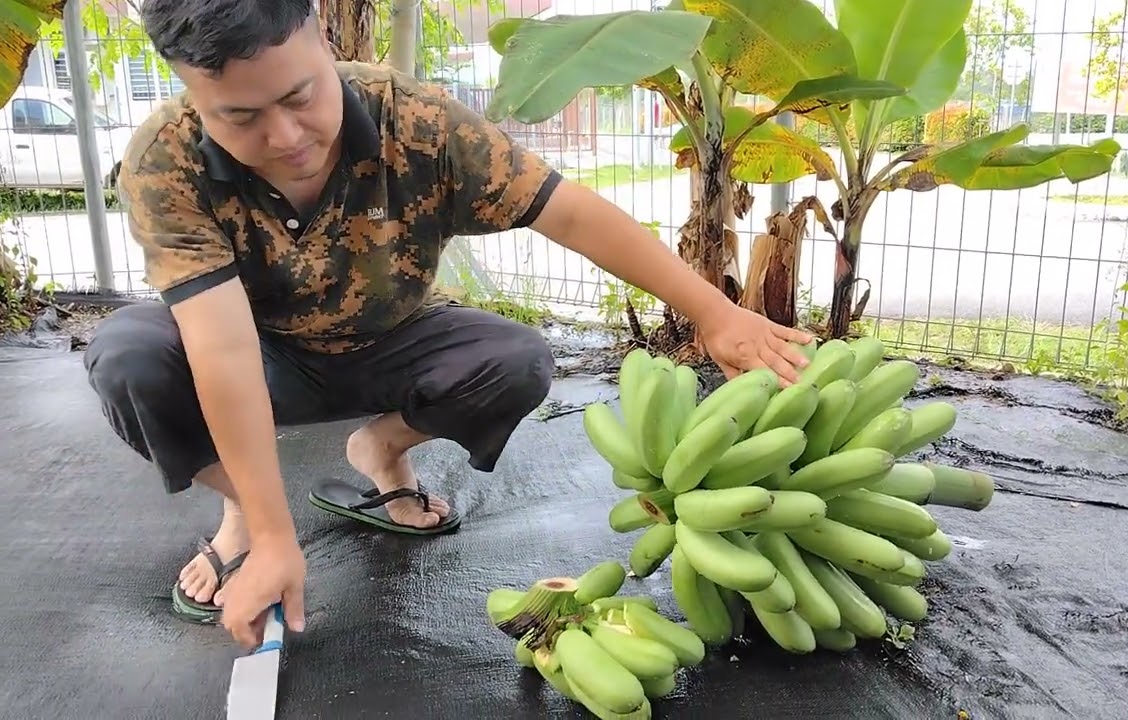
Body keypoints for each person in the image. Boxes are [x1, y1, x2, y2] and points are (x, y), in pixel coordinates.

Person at [83, 0, 814, 650]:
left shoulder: (417, 121)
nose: (284, 136)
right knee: (127, 356)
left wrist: (715, 312)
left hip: (390, 342)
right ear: (191, 91)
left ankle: (382, 449)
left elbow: (568, 211)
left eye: (299, 96)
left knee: (517, 359)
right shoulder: (164, 160)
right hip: (262, 357)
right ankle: (243, 516)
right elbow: (221, 342)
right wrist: (275, 532)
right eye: (239, 117)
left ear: (316, 33)